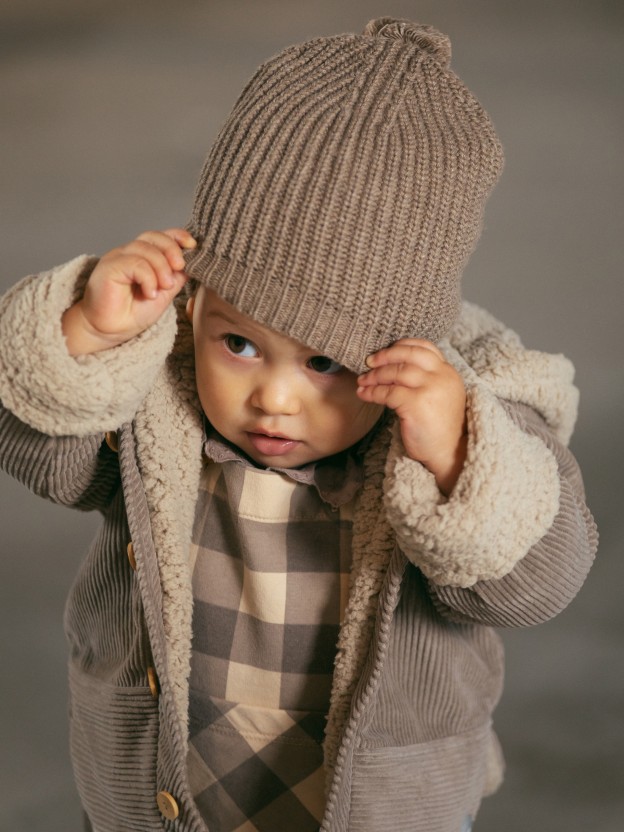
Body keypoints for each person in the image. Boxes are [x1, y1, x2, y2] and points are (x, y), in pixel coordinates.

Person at [0, 17, 597, 832]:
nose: (276, 400)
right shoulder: (156, 381)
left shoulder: (462, 413)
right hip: (164, 795)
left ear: (406, 346)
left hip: (378, 807)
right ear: (198, 299)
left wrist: (459, 458)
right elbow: (42, 453)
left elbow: (534, 585)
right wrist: (86, 340)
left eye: (327, 365)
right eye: (238, 343)